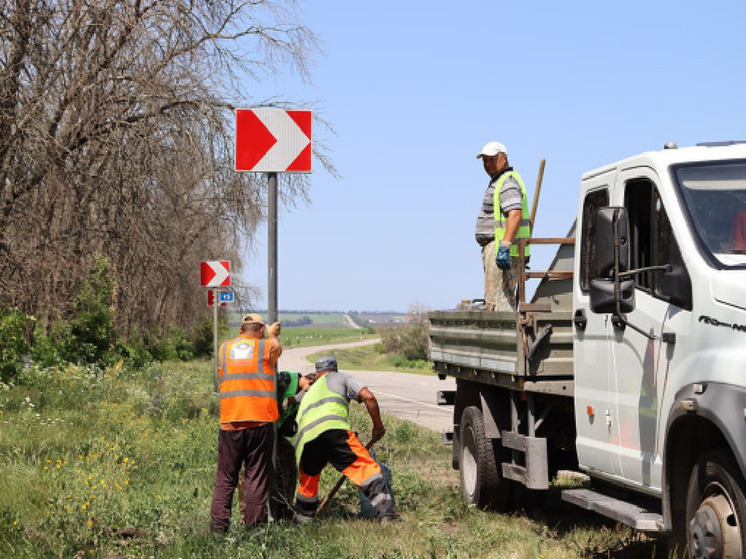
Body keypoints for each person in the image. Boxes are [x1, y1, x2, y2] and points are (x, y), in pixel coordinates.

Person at [293, 357, 398, 523]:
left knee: (308, 481)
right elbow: (368, 397)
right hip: (334, 430)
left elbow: (289, 403)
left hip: (306, 439)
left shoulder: (307, 391)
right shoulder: (341, 378)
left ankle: (302, 522)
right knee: (366, 469)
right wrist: (378, 426)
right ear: (335, 369)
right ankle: (388, 515)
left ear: (318, 373)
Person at [209, 313, 282, 533]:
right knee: (256, 477)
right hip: (259, 421)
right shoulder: (266, 346)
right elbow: (275, 347)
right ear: (260, 331)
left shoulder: (224, 349)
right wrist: (271, 334)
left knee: (225, 477)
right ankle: (254, 529)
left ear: (240, 330)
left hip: (230, 421)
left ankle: (219, 528)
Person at [474, 141, 531, 311]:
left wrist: (504, 247)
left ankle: (507, 334)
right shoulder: (499, 181)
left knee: (500, 302)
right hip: (496, 248)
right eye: (484, 160)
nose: (487, 164)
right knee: (495, 299)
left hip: (500, 248)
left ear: (503, 158)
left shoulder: (507, 182)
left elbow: (515, 214)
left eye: (492, 159)